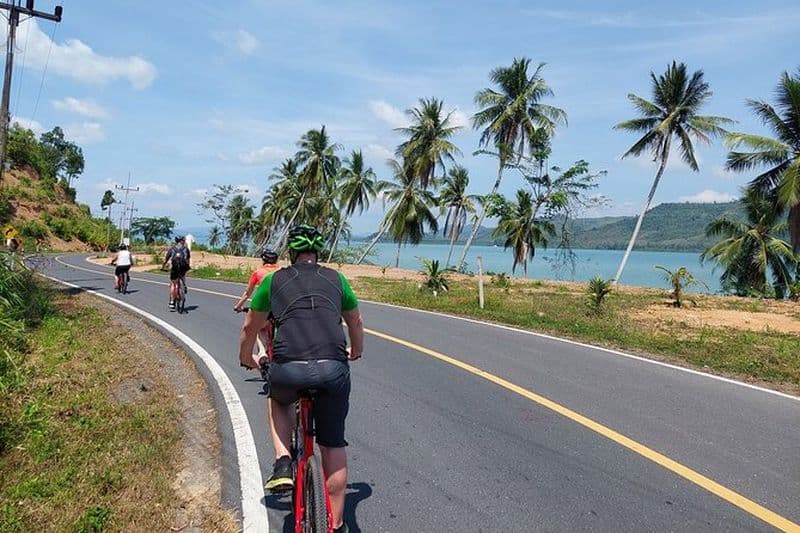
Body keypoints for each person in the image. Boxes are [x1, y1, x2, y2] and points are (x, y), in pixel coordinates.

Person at [238, 224, 363, 533]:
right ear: (317, 253)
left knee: (279, 399)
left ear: (291, 254)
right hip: (333, 369)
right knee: (332, 445)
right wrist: (356, 350)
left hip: (288, 368)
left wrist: (245, 358)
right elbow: (355, 320)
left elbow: (249, 329)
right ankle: (337, 524)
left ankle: (283, 462)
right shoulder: (337, 279)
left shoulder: (272, 280)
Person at [234, 248, 280, 371]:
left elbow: (247, 293)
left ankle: (262, 354)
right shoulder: (282, 272)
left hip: (266, 312)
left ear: (263, 260)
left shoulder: (258, 272)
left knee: (257, 329)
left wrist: (238, 306)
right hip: (282, 311)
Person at [162, 236, 191, 310]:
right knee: (183, 275)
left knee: (173, 284)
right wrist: (187, 267)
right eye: (183, 240)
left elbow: (167, 258)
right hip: (183, 267)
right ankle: (184, 285)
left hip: (174, 268)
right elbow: (187, 259)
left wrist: (163, 265)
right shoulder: (186, 249)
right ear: (182, 241)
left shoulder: (172, 249)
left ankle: (172, 302)